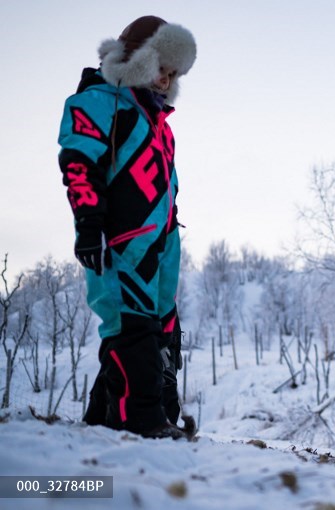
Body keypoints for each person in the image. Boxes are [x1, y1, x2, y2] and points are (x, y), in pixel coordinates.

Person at [58, 15, 196, 439]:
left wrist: (171, 232)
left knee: (163, 329)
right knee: (130, 324)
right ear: (138, 58)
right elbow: (79, 164)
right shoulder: (96, 102)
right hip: (118, 240)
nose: (165, 80)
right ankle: (141, 421)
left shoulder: (161, 125)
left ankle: (121, 416)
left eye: (172, 74)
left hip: (161, 243)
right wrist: (89, 223)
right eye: (160, 68)